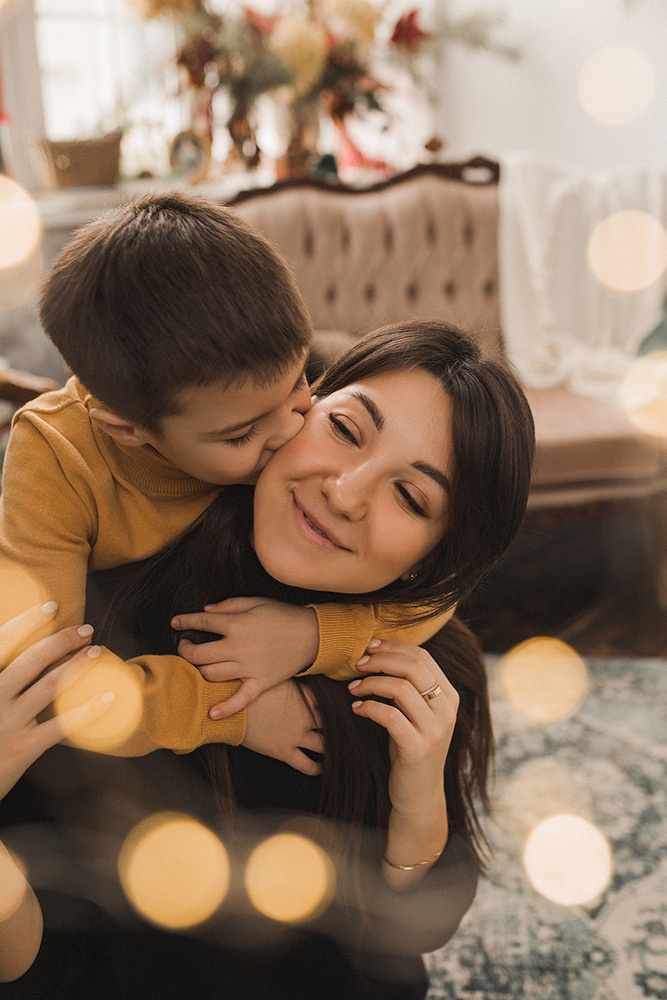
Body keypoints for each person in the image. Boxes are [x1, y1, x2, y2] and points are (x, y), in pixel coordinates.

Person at [1, 321, 535, 998]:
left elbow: (413, 932)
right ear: (298, 405)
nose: (345, 493)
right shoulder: (102, 612)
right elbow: (40, 964)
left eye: (409, 496)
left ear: (431, 557)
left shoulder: (421, 672)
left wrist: (418, 795)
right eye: (345, 429)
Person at [0, 192, 454, 761]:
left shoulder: (307, 374)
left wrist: (310, 637)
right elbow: (46, 682)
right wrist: (229, 711)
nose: (292, 432)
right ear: (129, 430)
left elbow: (439, 588)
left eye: (297, 392)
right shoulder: (57, 457)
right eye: (241, 436)